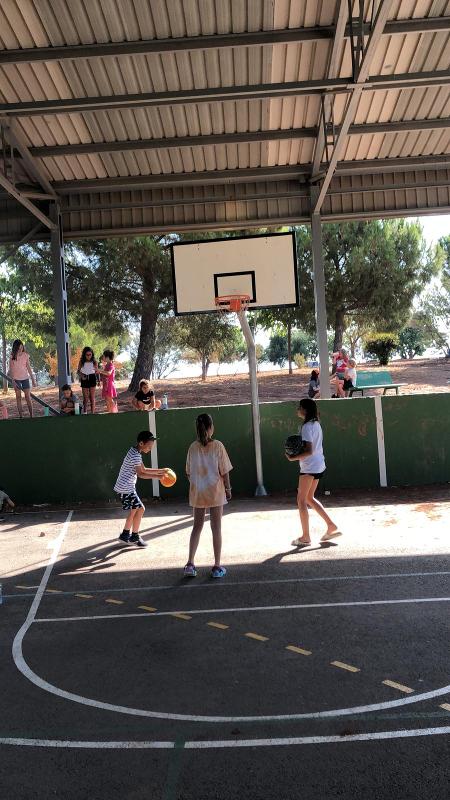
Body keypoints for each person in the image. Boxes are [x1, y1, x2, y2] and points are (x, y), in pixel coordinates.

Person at [286, 398, 341, 547]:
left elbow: (309, 451)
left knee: (301, 500)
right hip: (318, 465)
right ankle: (330, 525)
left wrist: (293, 458)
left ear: (305, 410)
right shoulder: (316, 424)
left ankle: (305, 537)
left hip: (309, 467)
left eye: (299, 407)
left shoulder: (306, 427)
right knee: (309, 497)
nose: (297, 409)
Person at [184, 413, 232, 579]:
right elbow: (224, 471)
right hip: (215, 493)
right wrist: (228, 488)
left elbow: (188, 473)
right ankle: (217, 567)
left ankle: (190, 564)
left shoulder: (192, 447)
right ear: (211, 427)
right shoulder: (218, 446)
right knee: (216, 528)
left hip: (198, 493)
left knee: (196, 527)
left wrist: (198, 485)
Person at [114, 430, 168, 547]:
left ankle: (126, 535)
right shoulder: (135, 455)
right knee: (140, 508)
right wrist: (158, 477)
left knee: (135, 510)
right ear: (141, 443)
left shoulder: (135, 452)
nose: (150, 448)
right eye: (149, 446)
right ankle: (133, 536)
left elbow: (144, 469)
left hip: (124, 487)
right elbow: (141, 474)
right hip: (126, 488)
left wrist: (161, 470)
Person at [7, 339, 36, 418]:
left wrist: (33, 380)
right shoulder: (12, 356)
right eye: (19, 348)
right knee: (18, 397)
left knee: (28, 397)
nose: (20, 350)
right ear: (15, 348)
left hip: (25, 379)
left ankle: (31, 416)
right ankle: (21, 417)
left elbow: (29, 368)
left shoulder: (25, 355)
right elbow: (11, 369)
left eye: (22, 348)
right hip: (16, 379)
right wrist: (13, 381)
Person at [77, 347, 98, 414]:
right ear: (84, 354)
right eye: (87, 355)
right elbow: (78, 371)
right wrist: (82, 376)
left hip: (92, 378)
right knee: (85, 398)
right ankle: (85, 412)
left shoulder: (94, 361)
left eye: (90, 354)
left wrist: (99, 380)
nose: (89, 356)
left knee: (92, 397)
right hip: (84, 378)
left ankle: (92, 413)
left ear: (92, 354)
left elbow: (96, 371)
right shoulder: (81, 361)